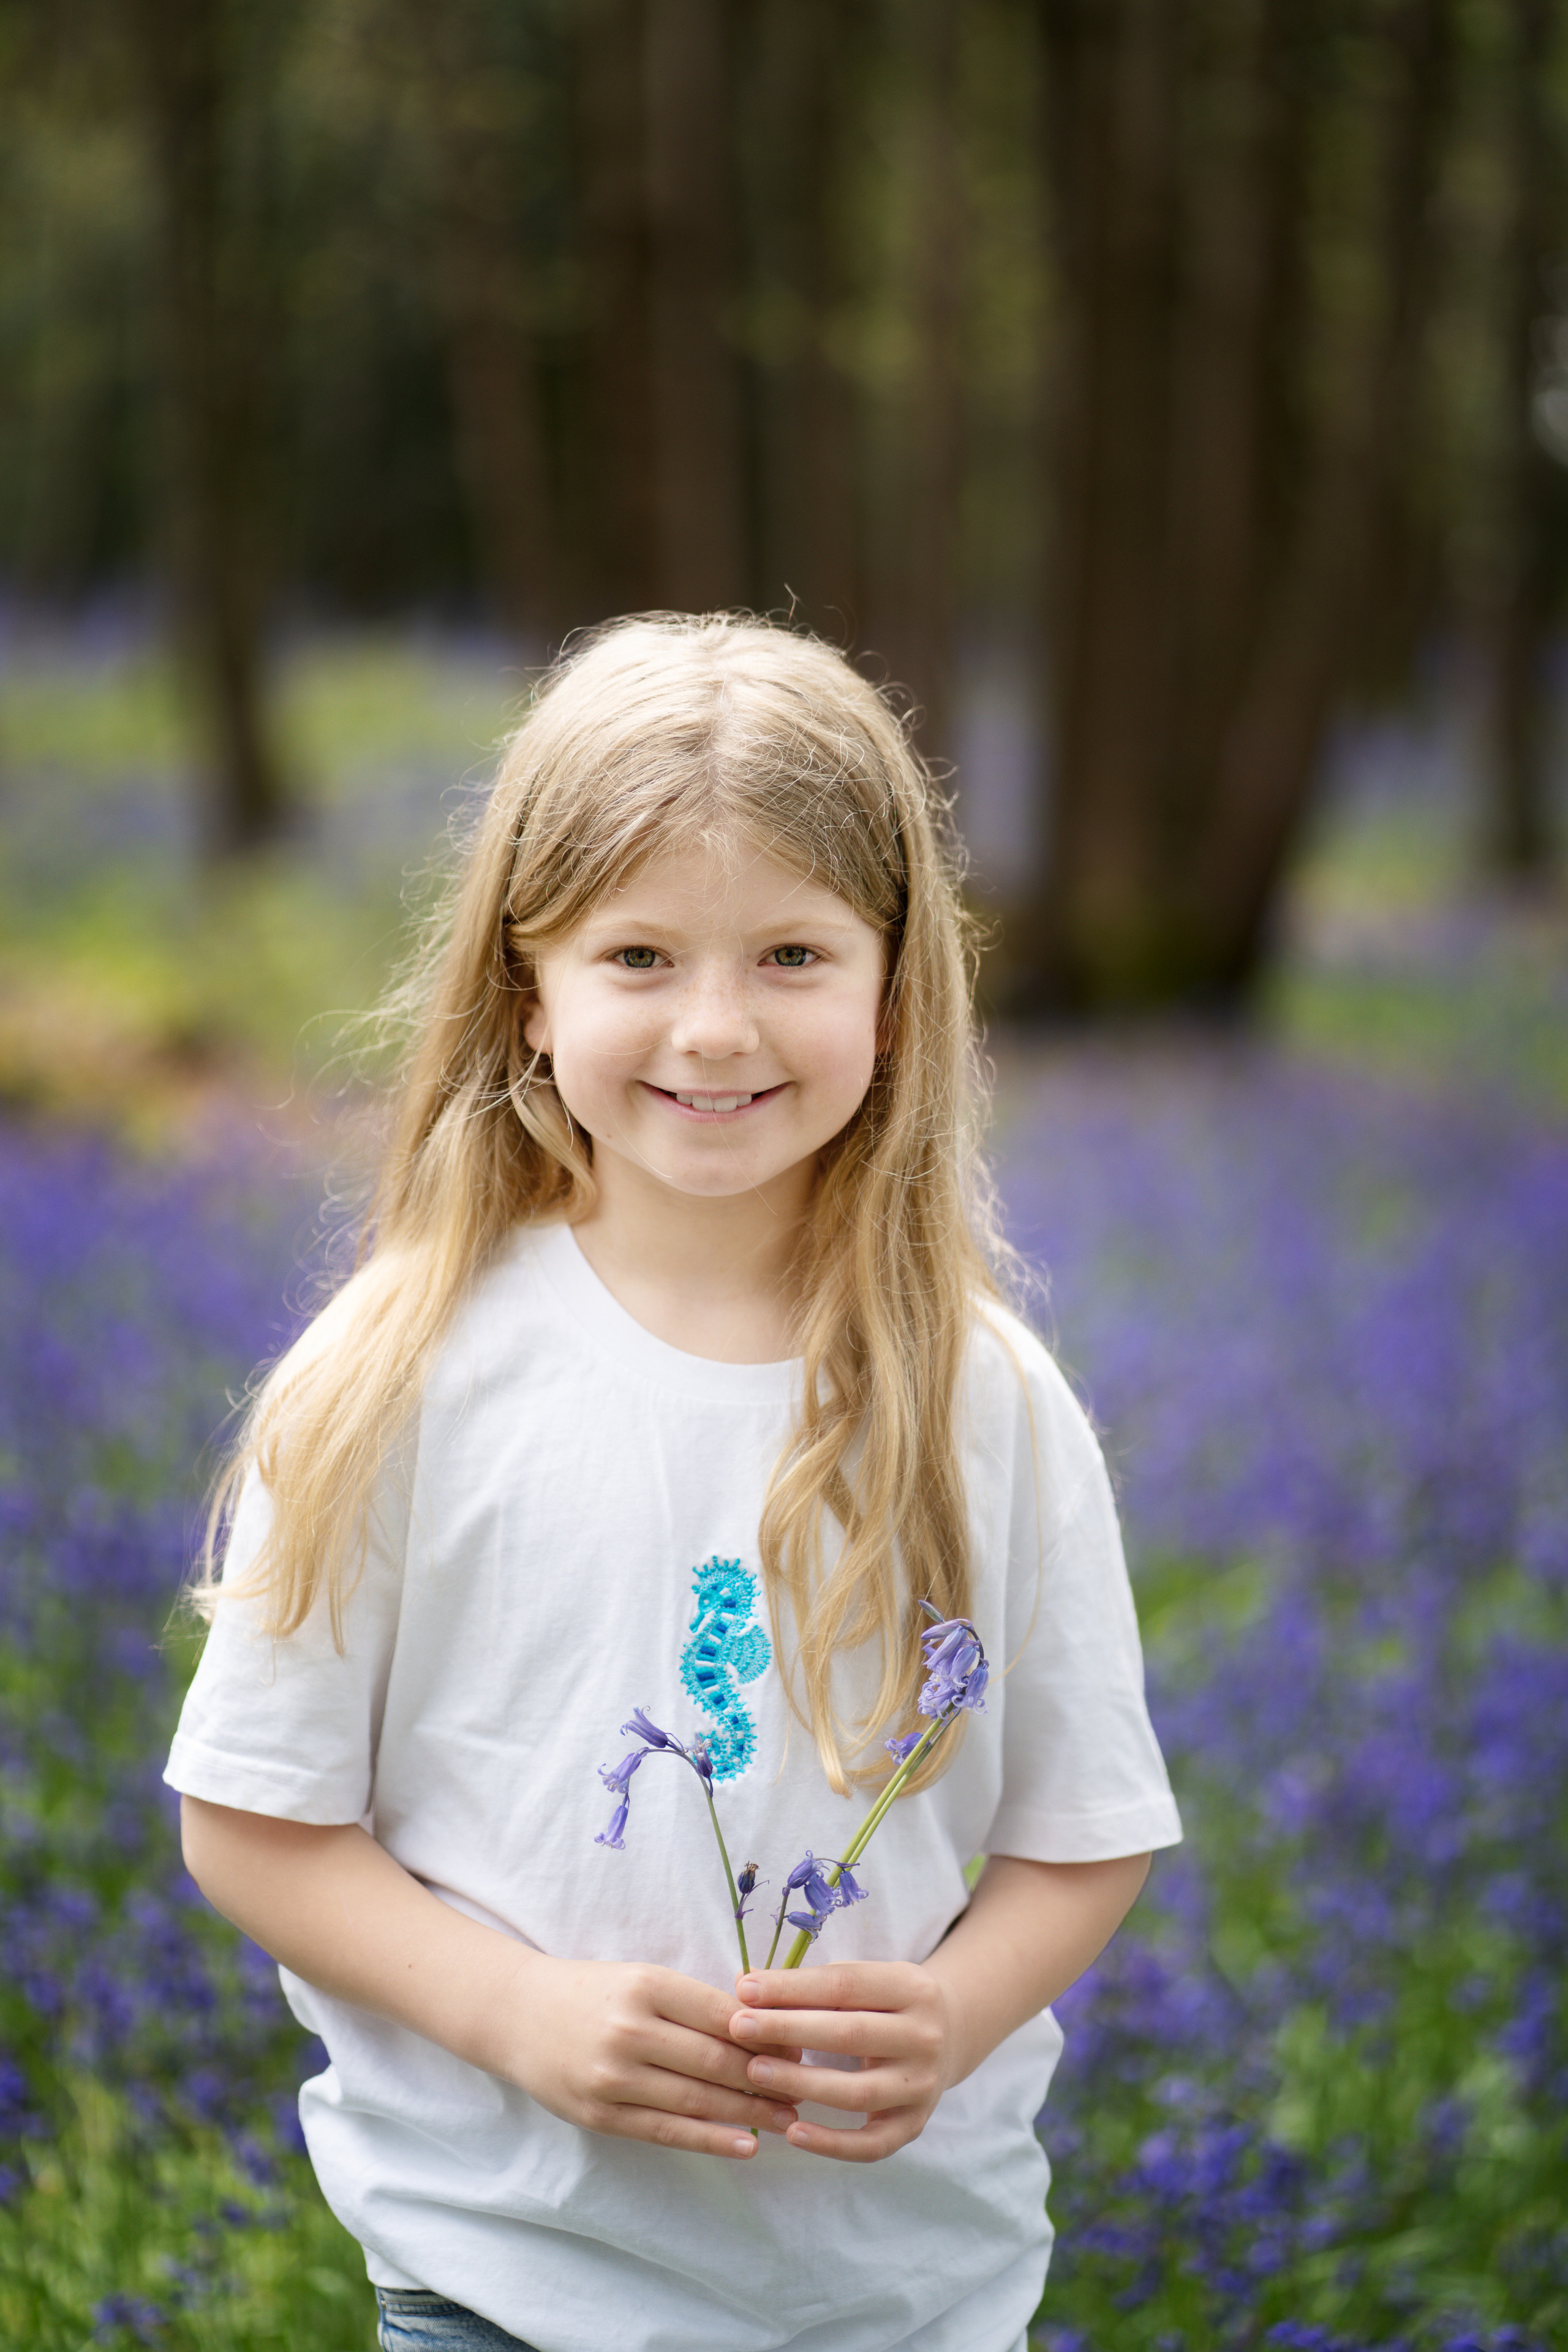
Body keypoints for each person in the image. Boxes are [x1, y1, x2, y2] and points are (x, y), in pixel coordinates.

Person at [167, 614, 1181, 2352]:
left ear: (896, 985)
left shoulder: (985, 1402)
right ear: (526, 993)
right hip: (506, 2279)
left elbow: (1079, 1839)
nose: (716, 1029)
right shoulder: (396, 1379)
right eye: (638, 955)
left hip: (904, 2300)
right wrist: (515, 2014)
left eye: (793, 954)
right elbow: (254, 1822)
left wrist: (952, 2009)